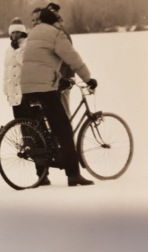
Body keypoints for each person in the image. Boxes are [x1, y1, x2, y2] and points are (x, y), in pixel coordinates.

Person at [19, 8, 97, 186]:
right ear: (54, 22)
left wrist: (58, 78)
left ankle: (41, 174)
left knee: (39, 130)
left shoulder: (33, 33)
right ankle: (73, 174)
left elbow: (41, 61)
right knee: (64, 130)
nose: (61, 24)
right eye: (58, 21)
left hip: (27, 86)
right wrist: (88, 78)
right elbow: (72, 58)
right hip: (44, 88)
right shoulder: (56, 34)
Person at [47, 2, 75, 118]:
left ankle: (68, 135)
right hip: (57, 76)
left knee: (64, 110)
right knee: (58, 111)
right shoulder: (52, 31)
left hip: (63, 76)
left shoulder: (61, 32)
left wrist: (64, 77)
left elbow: (68, 56)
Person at [3, 17, 28, 118]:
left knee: (31, 122)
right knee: (20, 121)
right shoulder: (9, 49)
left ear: (22, 32)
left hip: (24, 91)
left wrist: (17, 50)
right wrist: (6, 91)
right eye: (13, 32)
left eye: (18, 32)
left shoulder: (27, 45)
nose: (15, 35)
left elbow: (26, 64)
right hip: (13, 92)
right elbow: (6, 70)